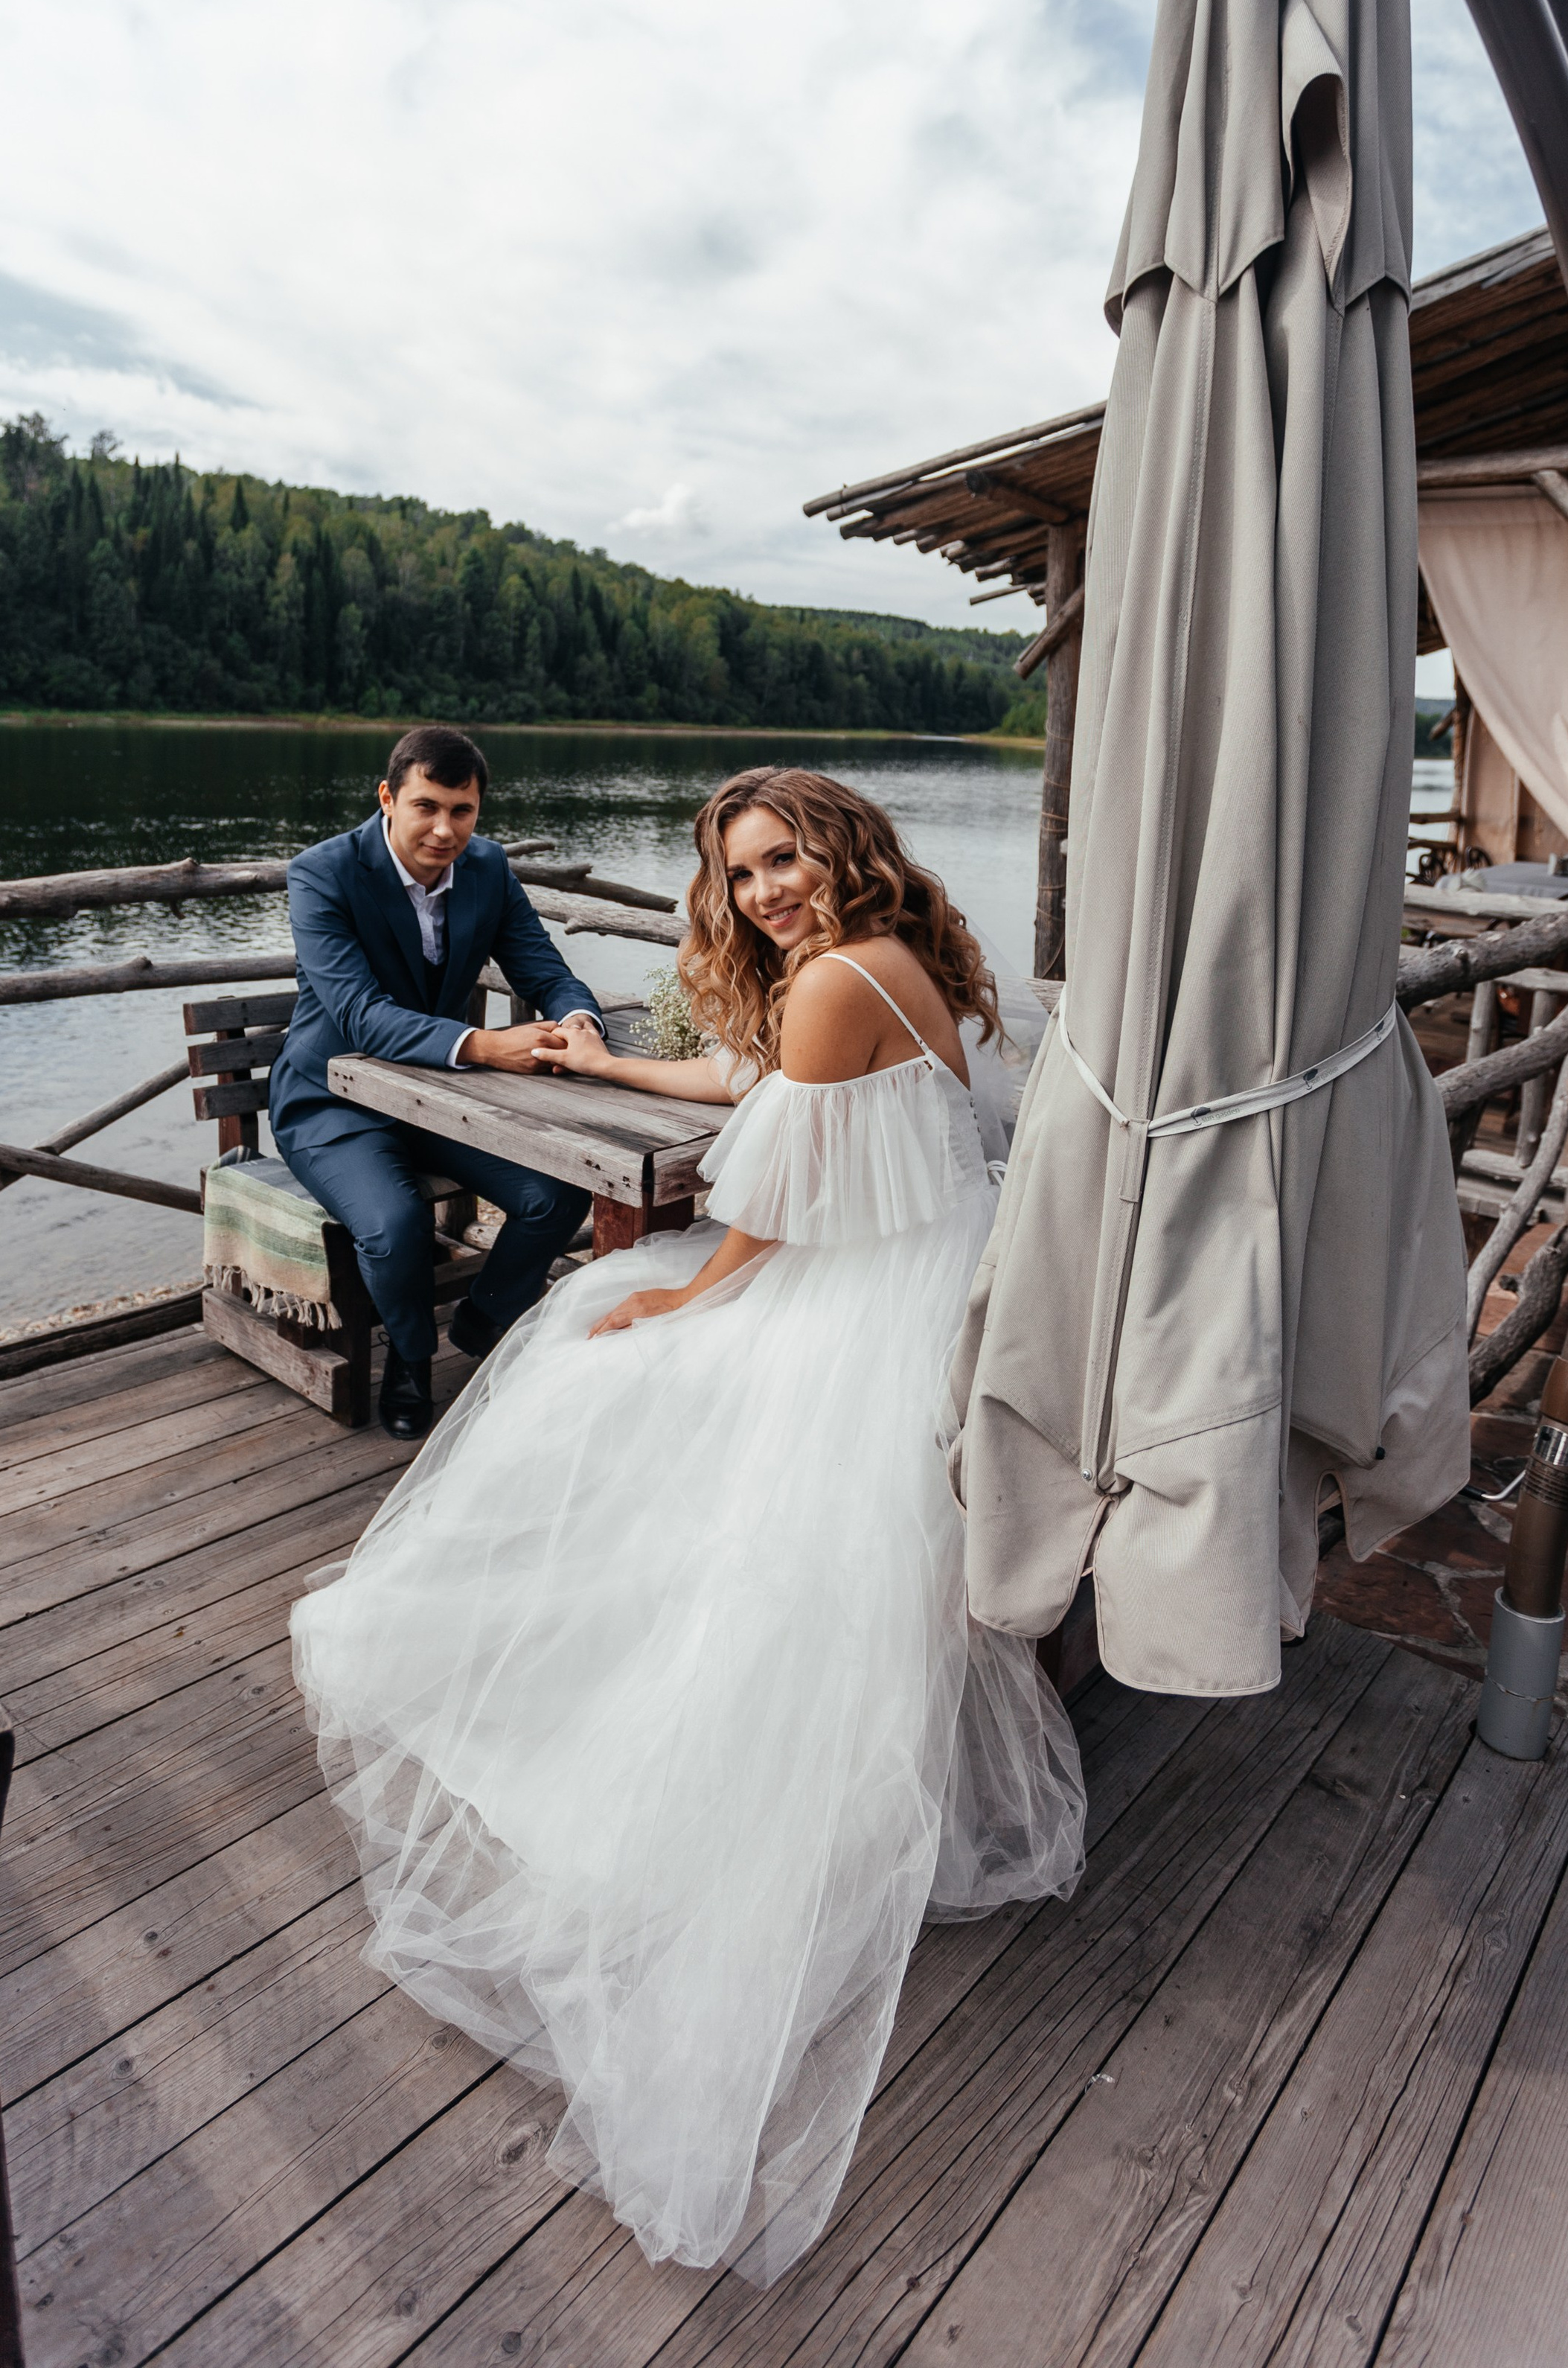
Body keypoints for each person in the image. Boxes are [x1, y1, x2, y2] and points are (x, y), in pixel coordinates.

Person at [290, 767, 1087, 2282]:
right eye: (740, 872)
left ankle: (616, 1708)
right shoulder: (883, 959)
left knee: (609, 1360)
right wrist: (601, 1061)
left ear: (838, 849)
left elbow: (765, 1213)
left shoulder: (840, 977)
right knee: (635, 1372)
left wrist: (675, 1295)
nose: (764, 889)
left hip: (862, 1297)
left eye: (783, 858)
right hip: (930, 1266)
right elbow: (751, 1089)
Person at [269, 724, 606, 1436]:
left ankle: (483, 1325)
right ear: (388, 797)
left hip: (444, 1103)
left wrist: (579, 1020)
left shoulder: (488, 869)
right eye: (426, 807)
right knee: (396, 1225)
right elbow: (358, 1015)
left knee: (559, 1191)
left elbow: (541, 967)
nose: (445, 830)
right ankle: (411, 1359)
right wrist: (484, 1044)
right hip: (334, 1101)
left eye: (463, 811)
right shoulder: (322, 874)